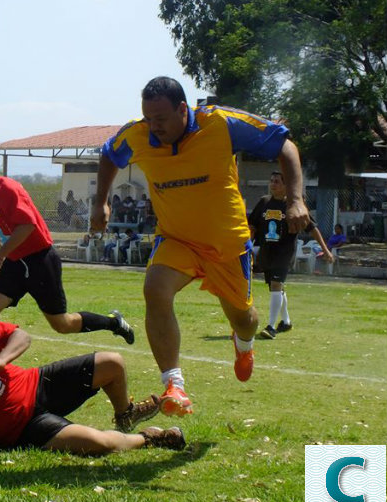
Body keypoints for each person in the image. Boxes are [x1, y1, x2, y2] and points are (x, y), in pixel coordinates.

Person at [90, 76, 311, 418]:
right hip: (176, 238)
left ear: (183, 109)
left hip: (226, 244)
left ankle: (244, 344)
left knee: (245, 319)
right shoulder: (136, 133)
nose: (154, 127)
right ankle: (173, 384)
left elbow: (285, 145)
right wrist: (99, 202)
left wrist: (296, 199)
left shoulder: (220, 123)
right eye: (148, 118)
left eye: (161, 119)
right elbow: (109, 156)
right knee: (155, 289)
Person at [0, 314, 185, 455]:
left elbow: (21, 336)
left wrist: (2, 360)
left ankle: (126, 414)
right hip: (23, 428)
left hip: (39, 384)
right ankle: (150, 438)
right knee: (101, 444)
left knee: (112, 362)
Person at [0, 146, 135, 343]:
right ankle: (1, 359)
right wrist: (4, 256)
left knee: (62, 324)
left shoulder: (8, 189)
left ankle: (113, 322)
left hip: (40, 261)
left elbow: (27, 226)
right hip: (15, 262)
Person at [247, 171, 333, 340]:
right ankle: (286, 322)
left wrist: (326, 249)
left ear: (287, 186)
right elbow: (252, 226)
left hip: (285, 252)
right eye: (271, 181)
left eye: (277, 181)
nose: (273, 184)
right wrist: (248, 246)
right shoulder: (264, 202)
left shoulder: (294, 206)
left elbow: (312, 228)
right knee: (275, 287)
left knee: (276, 284)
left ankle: (271, 327)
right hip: (267, 251)